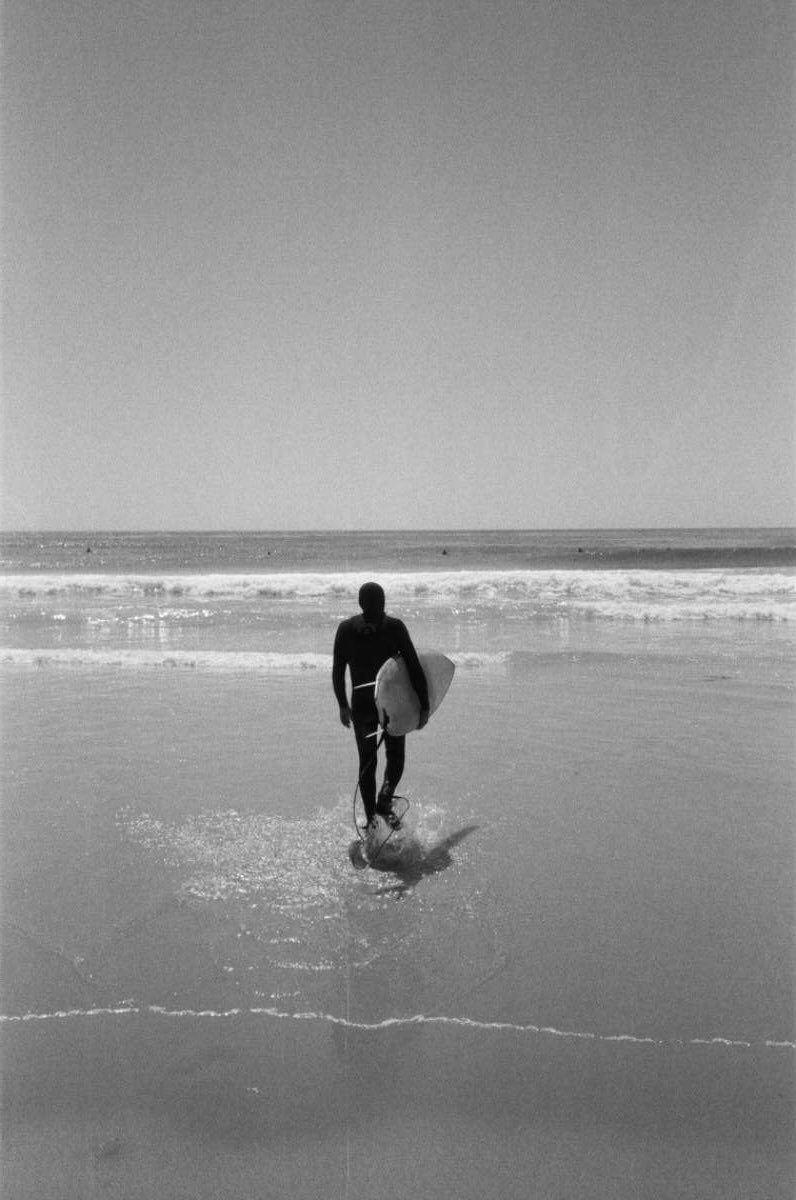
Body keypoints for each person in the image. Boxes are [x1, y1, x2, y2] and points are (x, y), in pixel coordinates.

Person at [333, 582, 429, 829]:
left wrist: (343, 705)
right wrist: (424, 704)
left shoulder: (345, 629)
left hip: (361, 705)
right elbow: (414, 666)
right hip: (391, 705)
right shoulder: (394, 628)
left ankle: (371, 819)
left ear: (360, 603)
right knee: (395, 756)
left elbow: (337, 670)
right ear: (384, 601)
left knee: (367, 761)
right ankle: (384, 799)